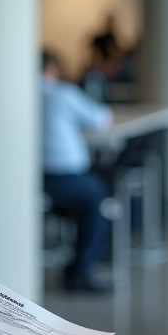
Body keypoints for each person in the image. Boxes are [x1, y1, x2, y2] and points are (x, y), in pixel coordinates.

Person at [42, 50, 114, 292]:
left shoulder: (18, 93)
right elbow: (100, 119)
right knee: (98, 195)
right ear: (52, 69)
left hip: (30, 180)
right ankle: (81, 270)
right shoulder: (62, 93)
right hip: (63, 177)